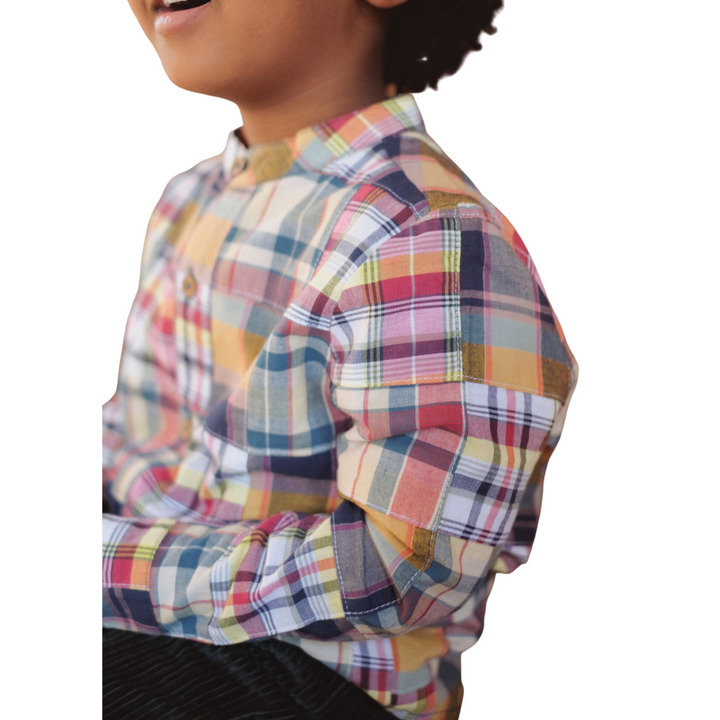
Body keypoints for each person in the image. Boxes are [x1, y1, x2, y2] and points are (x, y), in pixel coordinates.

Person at [102, 1, 578, 718]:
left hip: (316, 683)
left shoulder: (429, 233)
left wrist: (108, 566)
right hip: (149, 628)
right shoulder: (187, 202)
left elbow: (401, 570)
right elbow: (132, 442)